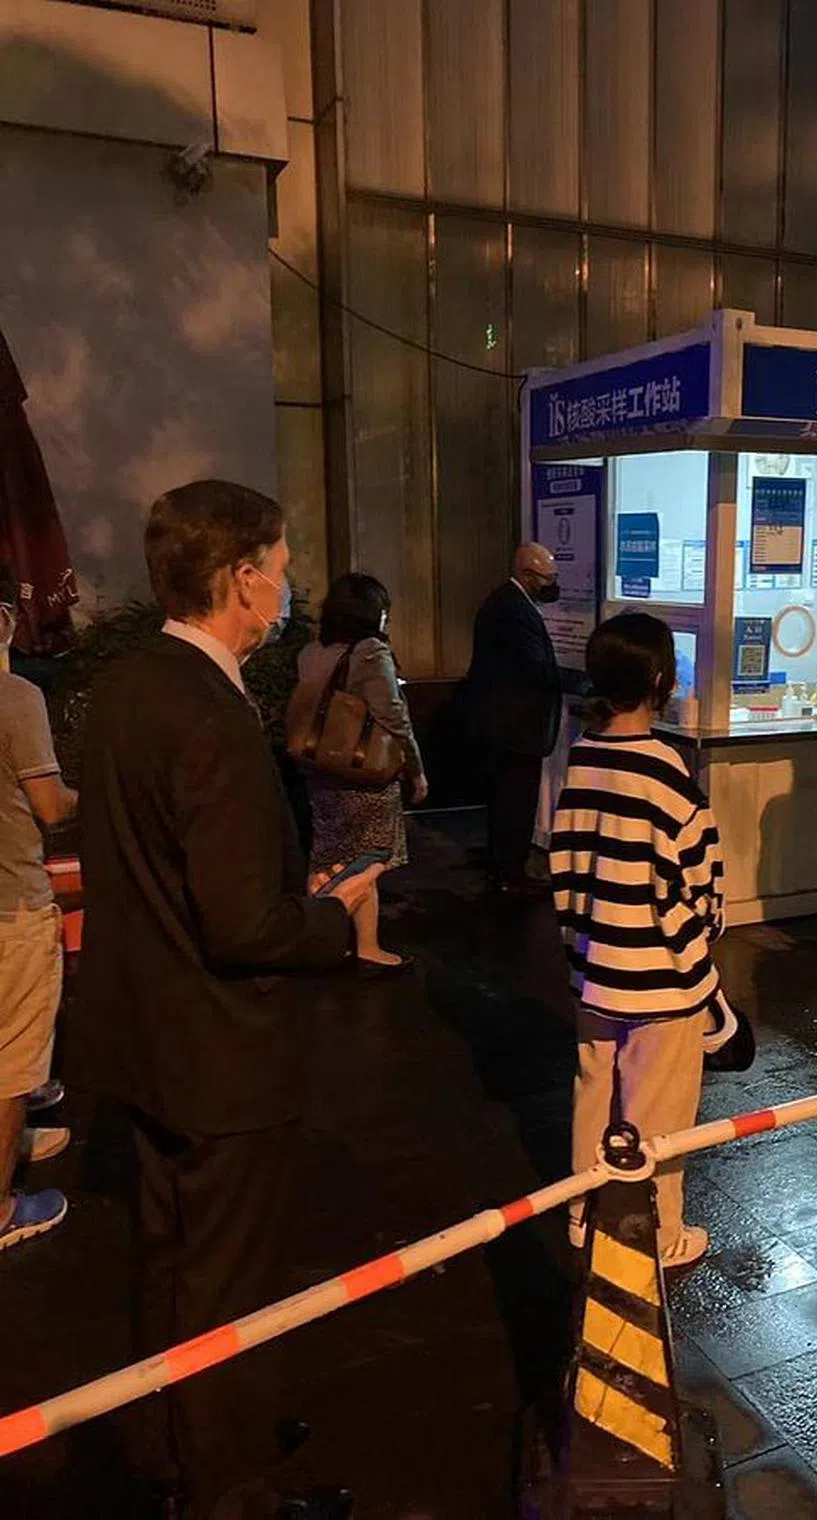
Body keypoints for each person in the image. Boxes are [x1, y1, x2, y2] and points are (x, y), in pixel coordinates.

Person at [74, 481, 382, 1520]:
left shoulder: (127, 686)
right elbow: (243, 925)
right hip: (219, 1051)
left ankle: (176, 1439)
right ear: (242, 579)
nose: (289, 588)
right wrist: (334, 919)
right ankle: (232, 1484)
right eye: (281, 568)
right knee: (227, 1277)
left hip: (143, 1033)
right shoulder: (211, 716)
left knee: (169, 1258)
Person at [550, 613, 733, 1270]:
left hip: (594, 971)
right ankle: (659, 1234)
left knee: (593, 1095)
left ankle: (582, 1215)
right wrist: (702, 952)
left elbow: (567, 866)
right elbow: (699, 885)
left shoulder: (582, 757)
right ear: (661, 681)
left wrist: (579, 949)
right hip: (662, 982)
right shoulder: (668, 771)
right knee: (658, 1116)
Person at [293, 573, 426, 974]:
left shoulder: (312, 651)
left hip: (320, 768)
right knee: (369, 859)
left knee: (330, 855)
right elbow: (394, 717)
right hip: (363, 773)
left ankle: (351, 943)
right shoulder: (370, 653)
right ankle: (340, 937)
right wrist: (416, 769)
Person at [0, 564, 76, 1251]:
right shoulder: (16, 698)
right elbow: (51, 807)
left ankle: (18, 1133)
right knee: (13, 1063)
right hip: (11, 911)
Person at [466, 544, 563, 897]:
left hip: (501, 725)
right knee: (515, 802)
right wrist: (585, 682)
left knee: (505, 800)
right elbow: (535, 668)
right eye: (548, 578)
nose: (553, 585)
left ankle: (503, 866)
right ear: (527, 575)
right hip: (515, 728)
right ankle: (511, 872)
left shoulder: (504, 603)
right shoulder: (514, 611)